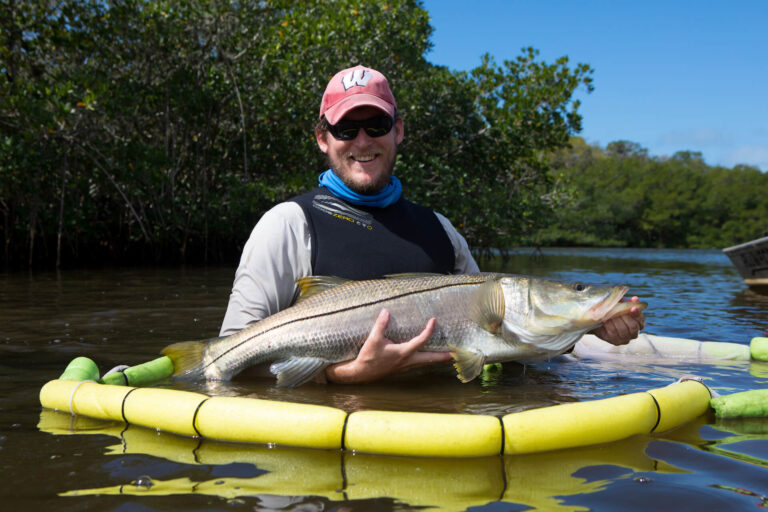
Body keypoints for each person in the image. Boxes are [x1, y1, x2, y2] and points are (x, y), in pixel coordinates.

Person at [220, 65, 645, 383]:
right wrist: (341, 375)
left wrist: (584, 330)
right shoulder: (286, 225)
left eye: (378, 125)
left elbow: (504, 345)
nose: (363, 141)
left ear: (398, 130)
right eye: (347, 128)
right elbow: (233, 356)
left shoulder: (442, 230)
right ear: (322, 138)